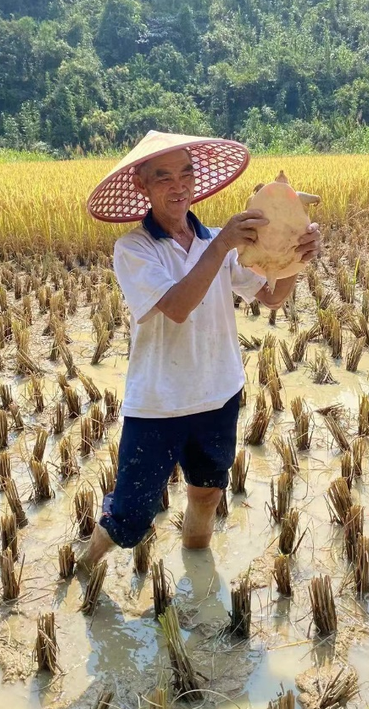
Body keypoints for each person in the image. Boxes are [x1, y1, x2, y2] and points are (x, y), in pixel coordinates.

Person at [79, 132, 321, 570]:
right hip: (158, 405)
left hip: (219, 394)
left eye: (186, 173)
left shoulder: (217, 241)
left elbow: (270, 297)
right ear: (143, 186)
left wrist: (295, 258)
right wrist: (223, 243)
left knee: (207, 493)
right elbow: (176, 306)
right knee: (131, 519)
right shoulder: (135, 249)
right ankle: (84, 566)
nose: (179, 186)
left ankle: (198, 577)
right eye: (164, 177)